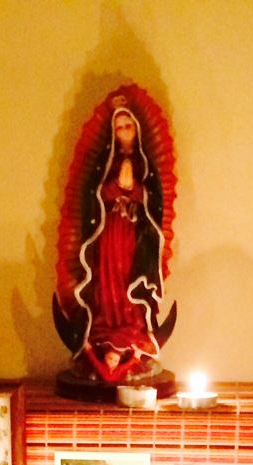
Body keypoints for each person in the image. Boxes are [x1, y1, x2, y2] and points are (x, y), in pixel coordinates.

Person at [75, 101, 169, 364]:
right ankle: (105, 326)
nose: (124, 132)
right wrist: (116, 188)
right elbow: (92, 194)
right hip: (108, 231)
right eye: (119, 128)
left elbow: (155, 201)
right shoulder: (105, 162)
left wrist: (135, 191)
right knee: (107, 278)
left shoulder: (144, 163)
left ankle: (130, 328)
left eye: (128, 126)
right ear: (113, 133)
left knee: (129, 278)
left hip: (134, 233)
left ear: (136, 129)